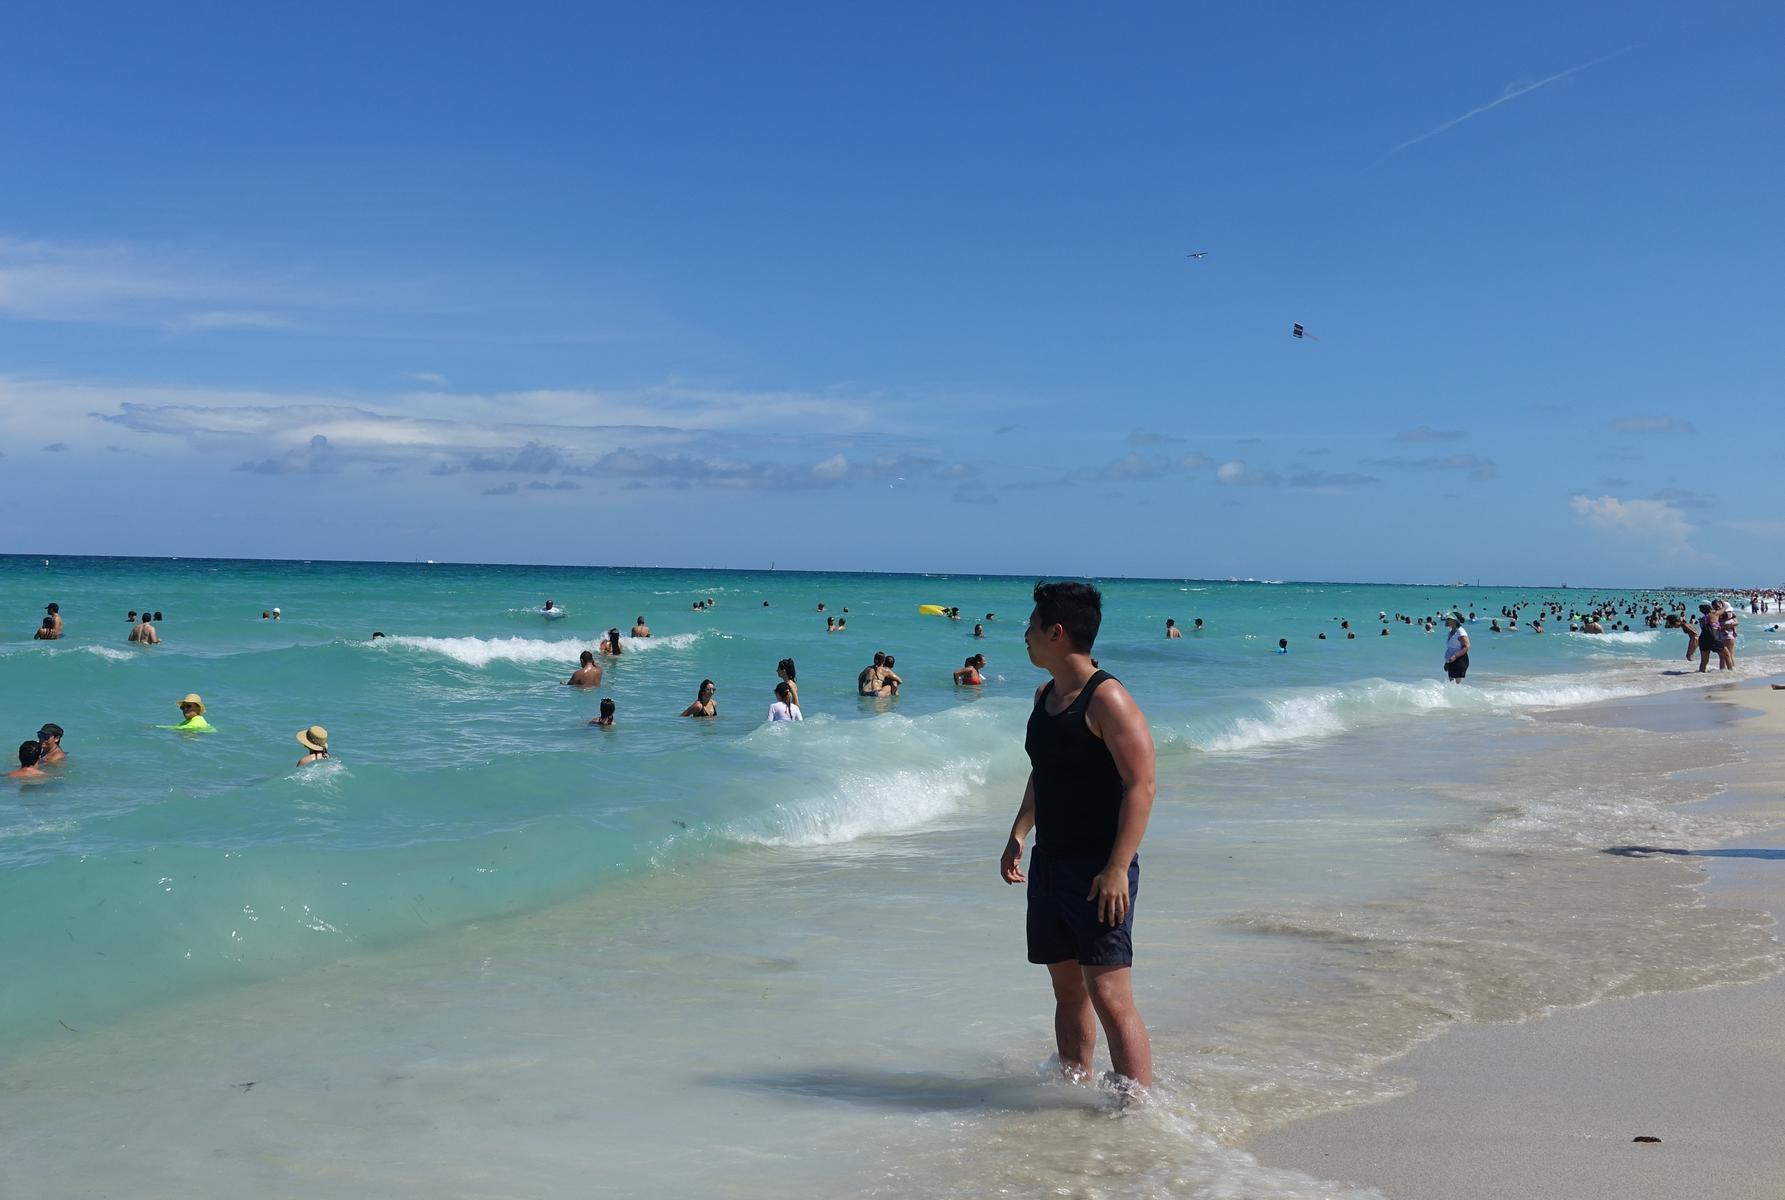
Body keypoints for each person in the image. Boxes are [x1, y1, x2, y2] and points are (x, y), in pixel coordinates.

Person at [1000, 581, 1155, 1096]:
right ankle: (1074, 1090)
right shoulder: (1045, 696)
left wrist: (1117, 868)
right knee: (1067, 990)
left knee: (1109, 993)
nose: (1024, 635)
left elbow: (1141, 785)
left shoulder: (1107, 698)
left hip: (1098, 870)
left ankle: (1138, 1110)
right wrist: (1020, 832)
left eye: (1031, 626)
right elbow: (1044, 773)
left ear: (1056, 632)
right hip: (1050, 865)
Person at [1443, 613, 1470, 682]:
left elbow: (1467, 646)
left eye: (1449, 619)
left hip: (1460, 660)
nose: (1446, 620)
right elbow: (1451, 648)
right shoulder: (1451, 631)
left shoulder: (1460, 631)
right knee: (1451, 684)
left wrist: (1454, 656)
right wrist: (1447, 662)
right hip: (1451, 660)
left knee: (1457, 685)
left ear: (1455, 621)